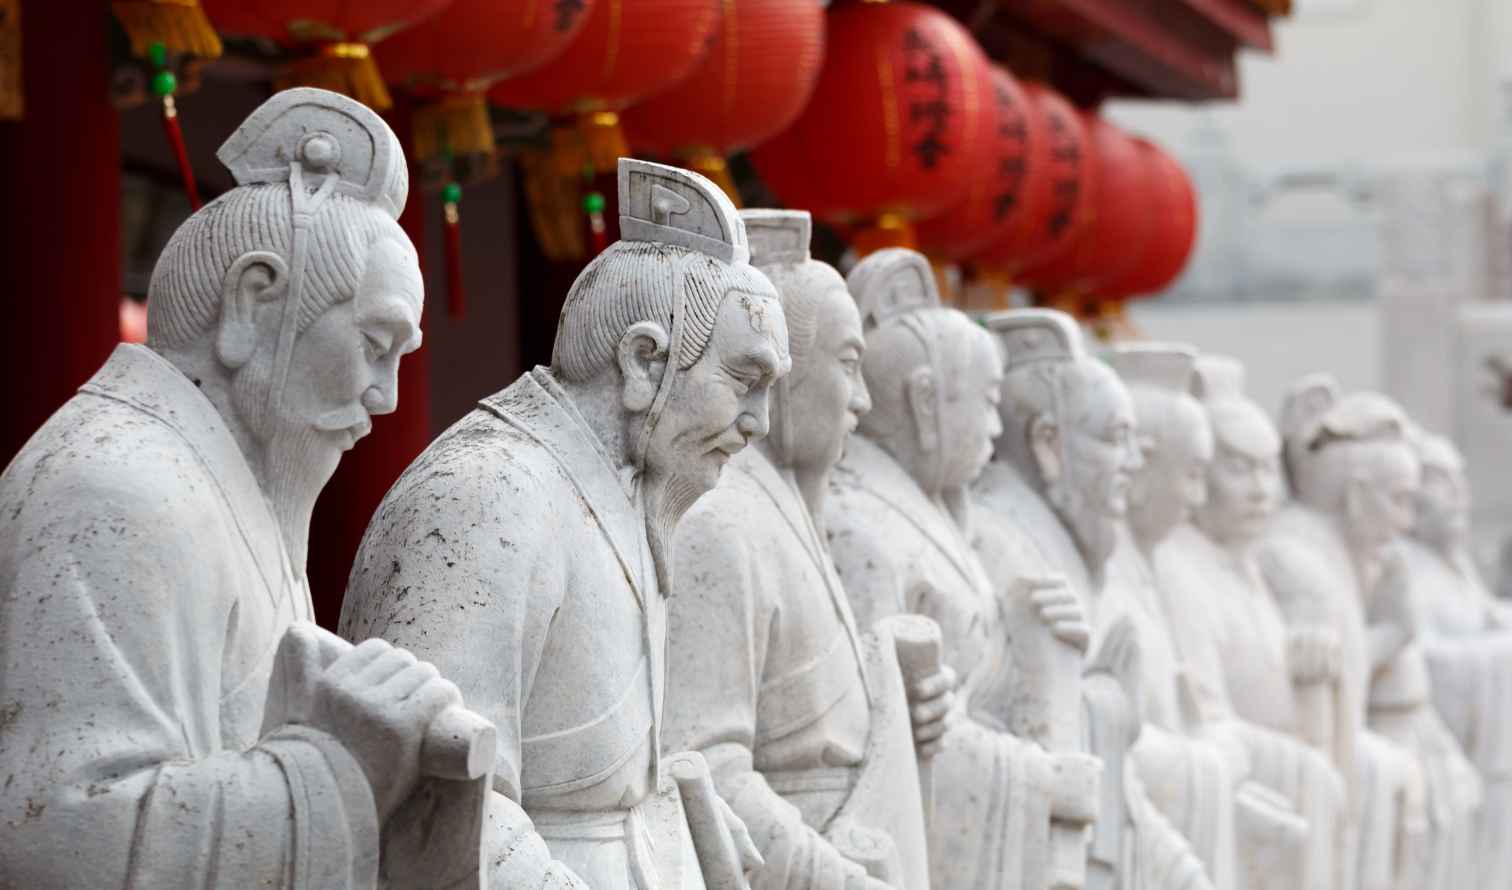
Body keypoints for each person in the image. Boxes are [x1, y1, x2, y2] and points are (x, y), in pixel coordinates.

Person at [0, 88, 485, 889]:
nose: (387, 396)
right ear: (251, 300)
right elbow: (55, 834)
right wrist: (337, 760)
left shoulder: (229, 491)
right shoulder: (115, 487)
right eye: (374, 344)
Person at [341, 159, 779, 890]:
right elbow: (441, 797)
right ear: (644, 362)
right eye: (745, 380)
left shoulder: (626, 489)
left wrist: (671, 808)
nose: (759, 422)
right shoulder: (488, 493)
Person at [666, 210, 950, 890]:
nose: (863, 400)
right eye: (848, 365)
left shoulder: (787, 511)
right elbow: (706, 768)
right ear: (781, 371)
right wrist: (838, 880)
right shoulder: (721, 521)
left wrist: (900, 702)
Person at [822, 252, 1102, 890]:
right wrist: (1042, 780)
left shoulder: (937, 518)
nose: (997, 428)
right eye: (988, 402)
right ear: (926, 401)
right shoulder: (859, 527)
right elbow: (881, 743)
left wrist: (1042, 649)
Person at [975, 309, 1213, 890]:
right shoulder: (1001, 546)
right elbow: (997, 720)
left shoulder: (1059, 546)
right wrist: (1107, 701)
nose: (1133, 462)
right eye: (1115, 439)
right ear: (1048, 444)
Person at [1110, 346, 1345, 890]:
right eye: (1238, 469)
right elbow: (1198, 715)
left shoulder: (1248, 570)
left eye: (1268, 469)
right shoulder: (1177, 570)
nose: (1262, 491)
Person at [1264, 381, 1480, 890]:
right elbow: (1324, 701)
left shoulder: (1341, 556)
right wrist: (1393, 630)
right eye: (1400, 501)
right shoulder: (1299, 562)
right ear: (1358, 495)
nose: (1406, 522)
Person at [1401, 430, 1512, 888]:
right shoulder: (1404, 567)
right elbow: (1417, 659)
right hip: (1448, 749)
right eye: (1442, 481)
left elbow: (1488, 618)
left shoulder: (1455, 565)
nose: (1460, 495)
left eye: (1460, 480)